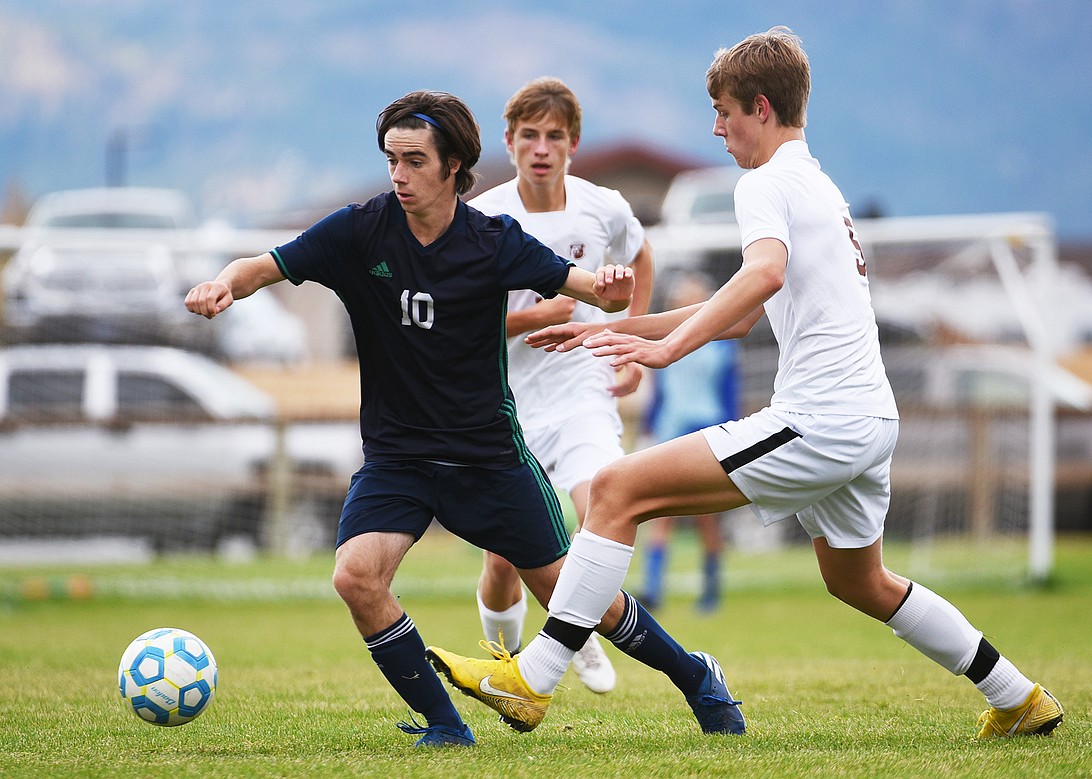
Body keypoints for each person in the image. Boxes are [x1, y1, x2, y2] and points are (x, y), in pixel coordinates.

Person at [427, 27, 1064, 740]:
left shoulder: (762, 181)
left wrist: (665, 349)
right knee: (861, 582)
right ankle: (1018, 695)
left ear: (759, 108)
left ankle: (533, 679)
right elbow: (743, 314)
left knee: (614, 491)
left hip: (820, 419)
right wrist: (623, 331)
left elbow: (757, 276)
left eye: (724, 111)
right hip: (868, 420)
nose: (716, 127)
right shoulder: (813, 181)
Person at [185, 90, 738, 747]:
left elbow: (582, 284)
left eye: (414, 160)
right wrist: (225, 281)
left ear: (454, 166)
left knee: (582, 596)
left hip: (489, 459)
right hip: (398, 458)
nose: (398, 174)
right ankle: (446, 724)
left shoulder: (493, 242)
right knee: (356, 577)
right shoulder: (360, 230)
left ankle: (694, 673)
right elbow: (266, 265)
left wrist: (611, 287)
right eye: (391, 159)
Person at [466, 76, 655, 695]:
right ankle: (508, 664)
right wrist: (531, 318)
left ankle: (576, 635)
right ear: (510, 141)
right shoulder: (484, 217)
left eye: (554, 136)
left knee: (600, 503)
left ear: (573, 143)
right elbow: (457, 316)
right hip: (505, 405)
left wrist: (634, 343)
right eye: (529, 135)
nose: (541, 147)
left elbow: (641, 258)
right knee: (503, 561)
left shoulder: (603, 208)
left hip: (581, 391)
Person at [637, 271, 737, 613]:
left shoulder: (723, 342)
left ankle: (710, 590)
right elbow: (660, 393)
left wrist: (731, 432)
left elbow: (728, 393)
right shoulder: (668, 338)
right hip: (670, 430)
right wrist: (649, 429)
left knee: (706, 516)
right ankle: (652, 589)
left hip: (708, 431)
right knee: (658, 511)